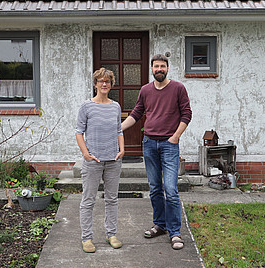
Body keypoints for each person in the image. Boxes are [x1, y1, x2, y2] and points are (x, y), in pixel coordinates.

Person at [121, 54, 192, 250]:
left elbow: (187, 114)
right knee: (154, 188)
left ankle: (175, 232)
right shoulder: (145, 90)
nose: (159, 69)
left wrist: (175, 136)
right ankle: (160, 225)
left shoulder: (178, 88)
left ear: (167, 68)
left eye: (162, 66)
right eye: (156, 66)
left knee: (171, 189)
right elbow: (136, 113)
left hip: (169, 145)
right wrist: (119, 128)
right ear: (151, 69)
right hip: (149, 144)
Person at [75, 68, 125, 253]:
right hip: (93, 161)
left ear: (111, 85)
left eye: (108, 81)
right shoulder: (86, 106)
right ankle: (86, 238)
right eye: (101, 81)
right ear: (95, 84)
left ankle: (111, 234)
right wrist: (86, 154)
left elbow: (119, 130)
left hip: (113, 160)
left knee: (112, 199)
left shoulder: (115, 106)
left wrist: (122, 150)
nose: (104, 84)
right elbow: (79, 132)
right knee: (88, 200)